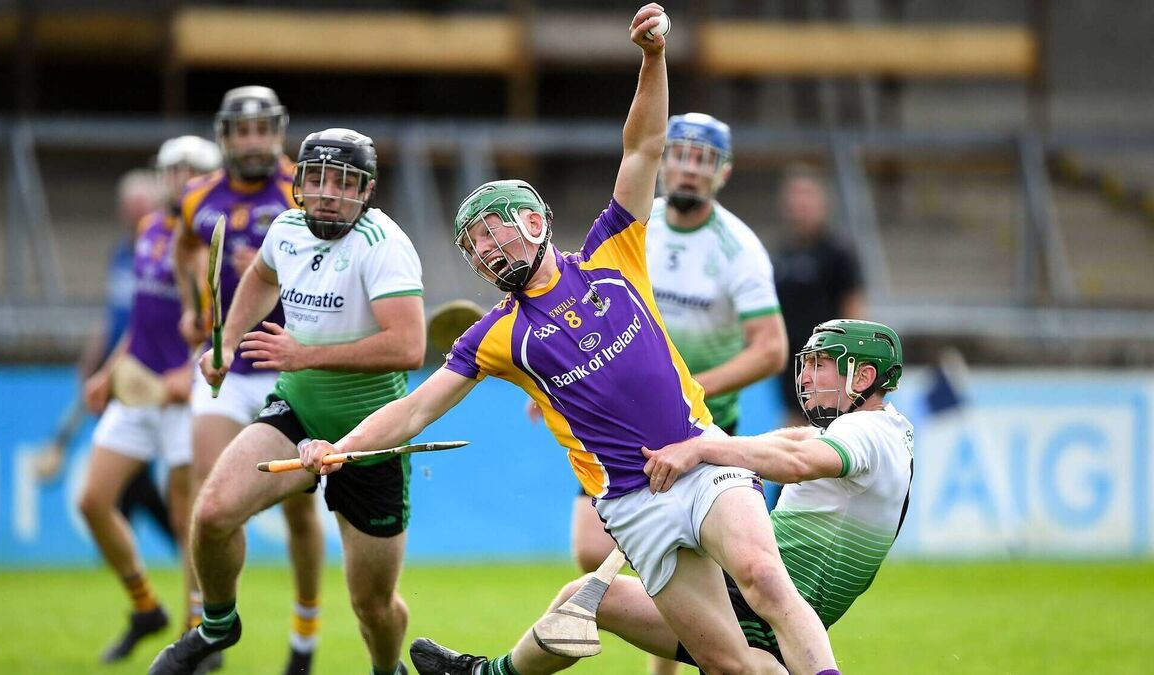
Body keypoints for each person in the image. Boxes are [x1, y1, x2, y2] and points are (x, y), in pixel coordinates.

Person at [303, 7, 837, 675]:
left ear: (534, 221)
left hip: (702, 458)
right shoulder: (496, 335)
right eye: (474, 247)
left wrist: (653, 58)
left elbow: (643, 148)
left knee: (763, 576)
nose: (487, 251)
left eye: (494, 232)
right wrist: (341, 447)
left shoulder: (613, 252)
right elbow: (414, 409)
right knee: (730, 663)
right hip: (632, 505)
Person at [448, 319, 911, 675]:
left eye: (820, 364)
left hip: (759, 608)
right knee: (586, 597)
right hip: (747, 601)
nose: (806, 377)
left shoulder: (868, 432)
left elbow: (797, 462)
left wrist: (702, 449)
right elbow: (794, 442)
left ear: (864, 376)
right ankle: (488, 672)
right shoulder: (880, 431)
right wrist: (708, 450)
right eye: (807, 364)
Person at [149, 128, 425, 675]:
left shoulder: (384, 245)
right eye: (318, 179)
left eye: (344, 183)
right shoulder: (287, 229)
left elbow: (409, 347)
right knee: (213, 513)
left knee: (372, 606)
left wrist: (306, 354)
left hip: (372, 435)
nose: (329, 193)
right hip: (296, 412)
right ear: (300, 181)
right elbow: (260, 279)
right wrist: (226, 341)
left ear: (366, 190)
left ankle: (386, 669)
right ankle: (217, 625)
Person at [564, 111, 788, 675]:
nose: (689, 169)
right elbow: (584, 308)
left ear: (723, 172)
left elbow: (770, 349)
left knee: (687, 563)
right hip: (620, 423)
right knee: (592, 549)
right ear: (665, 163)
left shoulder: (738, 249)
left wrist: (689, 387)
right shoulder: (638, 226)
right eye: (681, 155)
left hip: (702, 429)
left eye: (704, 160)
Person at [170, 85, 326, 674]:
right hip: (227, 367)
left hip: (286, 365)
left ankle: (304, 634)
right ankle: (205, 631)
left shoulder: (303, 189)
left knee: (297, 511)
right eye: (244, 130)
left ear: (278, 132)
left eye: (265, 129)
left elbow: (332, 265)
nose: (255, 141)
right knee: (208, 500)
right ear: (225, 137)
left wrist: (270, 269)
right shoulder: (196, 196)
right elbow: (187, 248)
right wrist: (194, 304)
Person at [77, 137, 221, 663]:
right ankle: (145, 607)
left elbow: (225, 321)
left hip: (187, 396)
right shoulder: (150, 229)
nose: (179, 179)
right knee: (93, 501)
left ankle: (197, 631)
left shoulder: (212, 240)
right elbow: (142, 318)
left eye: (190, 170)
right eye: (172, 170)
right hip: (138, 386)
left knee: (188, 517)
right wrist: (110, 371)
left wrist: (191, 368)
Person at [35, 168, 177, 546]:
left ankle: (169, 539)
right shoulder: (120, 256)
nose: (135, 215)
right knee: (131, 473)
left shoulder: (171, 251)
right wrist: (92, 363)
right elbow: (112, 316)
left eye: (142, 207)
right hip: (116, 369)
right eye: (130, 208)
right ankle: (147, 545)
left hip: (152, 370)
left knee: (136, 472)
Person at [773, 164, 864, 430]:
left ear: (822, 203)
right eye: (795, 198)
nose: (800, 205)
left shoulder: (838, 253)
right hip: (792, 366)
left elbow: (854, 308)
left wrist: (848, 361)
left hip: (828, 364)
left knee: (827, 430)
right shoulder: (781, 255)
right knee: (793, 428)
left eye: (807, 197)